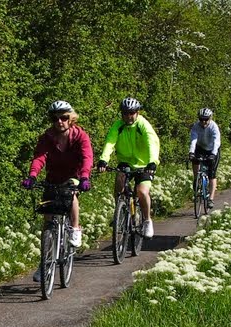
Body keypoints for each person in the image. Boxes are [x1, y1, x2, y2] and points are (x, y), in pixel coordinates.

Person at [22, 100, 93, 282]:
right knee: (48, 221)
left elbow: (87, 157)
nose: (59, 122)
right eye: (55, 119)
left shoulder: (80, 136)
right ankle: (44, 263)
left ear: (71, 118)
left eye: (63, 118)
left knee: (71, 193)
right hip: (53, 178)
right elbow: (39, 157)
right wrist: (32, 176)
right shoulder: (47, 137)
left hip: (73, 176)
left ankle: (75, 228)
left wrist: (85, 177)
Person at [96, 97, 160, 238]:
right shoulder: (118, 125)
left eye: (131, 113)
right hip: (125, 162)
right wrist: (103, 160)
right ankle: (120, 213)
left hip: (144, 164)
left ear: (137, 113)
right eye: (125, 113)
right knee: (119, 185)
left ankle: (147, 221)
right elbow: (110, 142)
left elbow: (152, 143)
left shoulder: (143, 125)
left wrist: (152, 162)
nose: (128, 116)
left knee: (142, 192)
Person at [189, 107, 221, 207]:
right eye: (201, 119)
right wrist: (191, 152)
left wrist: (213, 154)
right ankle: (196, 181)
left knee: (212, 174)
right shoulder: (196, 126)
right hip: (200, 147)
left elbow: (216, 141)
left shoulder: (213, 127)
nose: (203, 121)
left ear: (210, 118)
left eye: (206, 119)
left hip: (212, 149)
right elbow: (193, 140)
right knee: (195, 163)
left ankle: (211, 199)